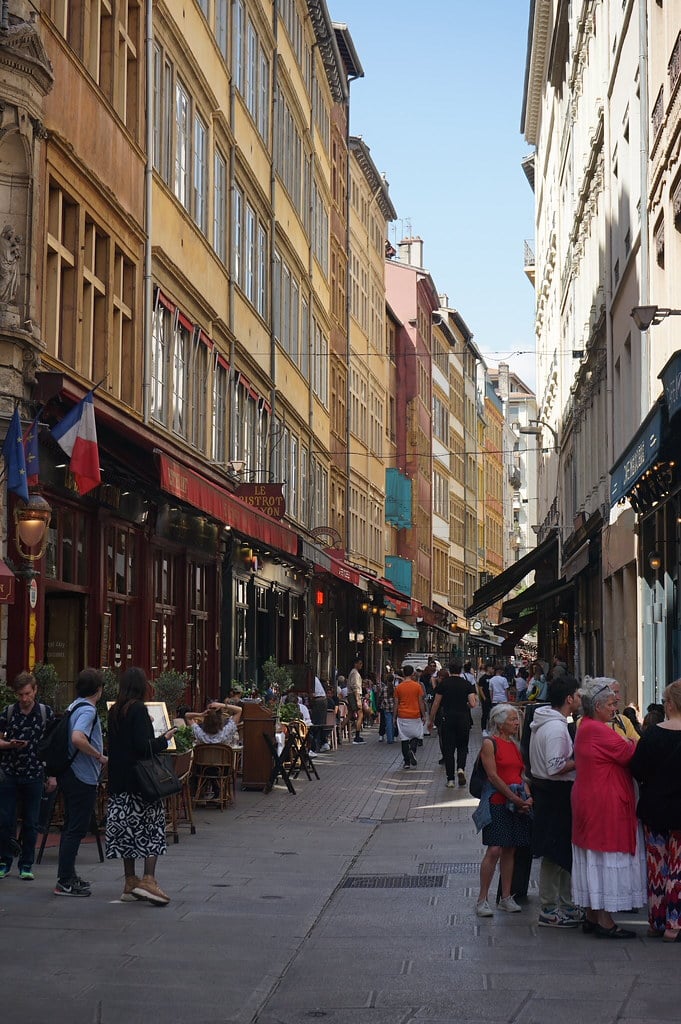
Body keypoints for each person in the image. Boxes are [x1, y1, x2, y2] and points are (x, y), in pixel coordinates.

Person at [571, 677, 645, 938]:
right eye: (612, 704)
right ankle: (605, 920)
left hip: (592, 799)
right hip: (604, 803)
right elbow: (631, 751)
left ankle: (593, 914)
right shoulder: (599, 730)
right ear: (599, 706)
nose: (616, 708)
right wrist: (631, 743)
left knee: (594, 857)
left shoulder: (588, 726)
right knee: (604, 857)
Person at [105, 667, 176, 905]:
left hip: (119, 785)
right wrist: (164, 740)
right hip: (141, 786)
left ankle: (130, 880)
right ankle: (148, 879)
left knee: (127, 835)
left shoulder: (114, 711)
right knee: (151, 831)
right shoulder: (138, 710)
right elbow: (143, 746)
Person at [528, 675, 583, 927]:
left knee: (560, 851)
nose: (581, 699)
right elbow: (555, 766)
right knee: (554, 852)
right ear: (569, 698)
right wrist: (581, 759)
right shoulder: (556, 729)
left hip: (549, 793)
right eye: (578, 695)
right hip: (555, 794)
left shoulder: (547, 724)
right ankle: (550, 908)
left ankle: (565, 904)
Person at [630, 679, 681, 941]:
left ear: (670, 704)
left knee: (657, 865)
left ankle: (658, 920)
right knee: (678, 866)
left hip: (654, 807)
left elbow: (637, 769)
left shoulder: (651, 735)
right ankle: (675, 922)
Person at [474, 704, 533, 917]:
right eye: (512, 720)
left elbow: (521, 774)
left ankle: (506, 896)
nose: (517, 723)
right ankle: (482, 899)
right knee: (495, 849)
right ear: (499, 722)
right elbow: (493, 776)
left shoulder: (515, 745)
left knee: (510, 849)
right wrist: (515, 798)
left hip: (515, 804)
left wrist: (526, 795)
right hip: (498, 802)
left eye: (517, 719)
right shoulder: (490, 743)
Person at [55, 668, 107, 897]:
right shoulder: (87, 710)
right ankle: (65, 880)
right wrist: (98, 755)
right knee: (76, 828)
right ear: (99, 690)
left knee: (71, 827)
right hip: (81, 775)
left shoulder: (73, 705)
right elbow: (77, 737)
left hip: (69, 773)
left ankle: (68, 874)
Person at [0, 671, 56, 880]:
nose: (24, 699)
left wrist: (52, 775)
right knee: (6, 820)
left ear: (35, 691)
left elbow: (53, 746)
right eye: (20, 694)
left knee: (31, 822)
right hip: (10, 773)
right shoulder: (8, 712)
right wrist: (9, 744)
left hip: (34, 773)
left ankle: (26, 864)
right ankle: (5, 861)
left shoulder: (45, 713)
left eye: (27, 694)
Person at [428, 663, 477, 787]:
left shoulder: (444, 684)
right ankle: (461, 768)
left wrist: (431, 719)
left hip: (447, 718)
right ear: (460, 670)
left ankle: (450, 780)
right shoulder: (466, 684)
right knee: (462, 746)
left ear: (450, 670)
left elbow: (436, 703)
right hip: (463, 719)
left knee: (449, 749)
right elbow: (473, 703)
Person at [394, 666, 427, 769]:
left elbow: (396, 703)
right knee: (416, 735)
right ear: (412, 673)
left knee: (404, 738)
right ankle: (412, 750)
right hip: (415, 714)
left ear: (403, 673)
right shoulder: (417, 686)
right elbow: (420, 702)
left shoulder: (398, 687)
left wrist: (394, 717)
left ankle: (406, 762)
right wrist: (424, 715)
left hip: (402, 715)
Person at [309, 674, 329, 752]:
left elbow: (311, 692)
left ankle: (315, 746)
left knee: (316, 724)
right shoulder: (313, 678)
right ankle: (323, 743)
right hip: (321, 700)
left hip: (319, 700)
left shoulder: (310, 678)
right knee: (319, 724)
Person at [347, 657, 364, 743]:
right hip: (354, 695)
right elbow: (355, 687)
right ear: (355, 664)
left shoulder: (354, 673)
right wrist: (358, 700)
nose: (361, 665)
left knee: (350, 714)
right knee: (360, 714)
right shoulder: (355, 673)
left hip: (351, 695)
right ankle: (357, 736)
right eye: (360, 663)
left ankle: (340, 731)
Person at [477, 661, 494, 732]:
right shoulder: (483, 678)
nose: (493, 670)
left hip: (493, 698)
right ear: (488, 668)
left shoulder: (494, 677)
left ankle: (491, 729)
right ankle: (483, 729)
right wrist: (484, 698)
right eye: (492, 668)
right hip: (486, 698)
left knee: (492, 715)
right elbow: (480, 688)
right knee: (485, 714)